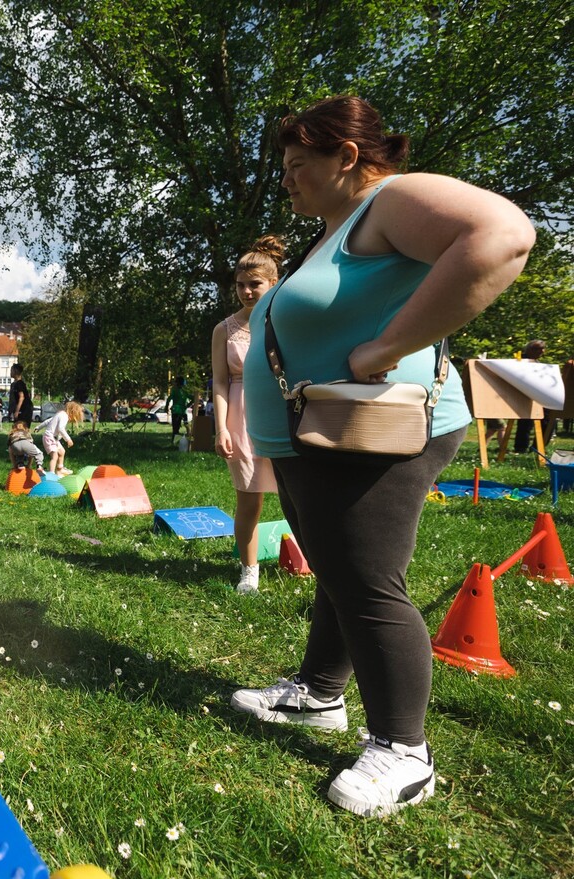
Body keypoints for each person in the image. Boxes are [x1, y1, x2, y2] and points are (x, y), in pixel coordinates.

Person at [232, 96, 534, 817]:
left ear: (346, 158)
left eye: (298, 165)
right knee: (339, 571)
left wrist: (389, 346)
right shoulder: (337, 230)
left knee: (368, 582)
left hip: (377, 432)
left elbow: (503, 235)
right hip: (318, 437)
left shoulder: (388, 201)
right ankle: (318, 693)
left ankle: (404, 750)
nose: (287, 180)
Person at [212, 236, 282, 594]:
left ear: (273, 282)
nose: (247, 291)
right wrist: (221, 427)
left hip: (281, 412)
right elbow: (221, 382)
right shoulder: (223, 330)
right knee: (248, 498)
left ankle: (315, 563)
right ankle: (249, 570)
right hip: (240, 417)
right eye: (241, 285)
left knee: (297, 495)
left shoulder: (286, 320)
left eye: (255, 284)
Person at [512, 339, 553, 453]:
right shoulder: (521, 361)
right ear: (529, 350)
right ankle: (522, 447)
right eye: (537, 349)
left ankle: (537, 447)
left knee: (547, 421)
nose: (541, 351)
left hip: (541, 396)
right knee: (526, 422)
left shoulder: (538, 363)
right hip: (527, 396)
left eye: (542, 349)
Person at [40, 401, 81, 474]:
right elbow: (60, 428)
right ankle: (51, 473)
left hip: (53, 438)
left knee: (62, 451)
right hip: (49, 437)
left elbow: (48, 421)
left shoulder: (60, 414)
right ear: (72, 412)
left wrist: (38, 427)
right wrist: (68, 439)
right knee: (55, 456)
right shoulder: (64, 416)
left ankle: (60, 469)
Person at [165, 377, 191, 445]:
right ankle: (190, 439)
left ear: (177, 383)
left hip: (176, 411)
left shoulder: (174, 390)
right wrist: (187, 405)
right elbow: (193, 398)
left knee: (175, 428)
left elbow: (169, 399)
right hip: (183, 412)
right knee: (186, 425)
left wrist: (166, 407)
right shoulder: (185, 392)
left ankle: (174, 442)